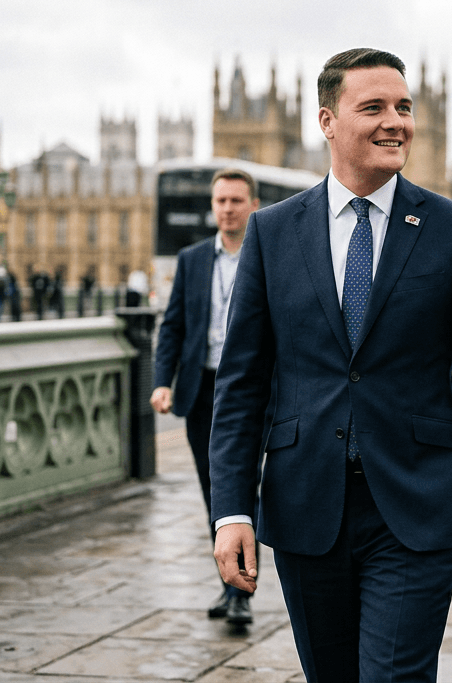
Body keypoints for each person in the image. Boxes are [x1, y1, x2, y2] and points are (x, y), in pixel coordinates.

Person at [208, 48, 452, 683]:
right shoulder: (273, 232)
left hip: (416, 504)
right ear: (327, 121)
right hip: (305, 504)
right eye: (374, 107)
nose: (395, 122)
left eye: (404, 108)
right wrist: (232, 511)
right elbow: (241, 386)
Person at [152, 167, 263, 626]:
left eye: (236, 200)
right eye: (221, 201)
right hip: (203, 390)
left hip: (255, 390)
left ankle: (243, 588)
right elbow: (173, 326)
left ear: (253, 205)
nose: (228, 209)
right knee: (215, 491)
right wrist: (162, 381)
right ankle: (232, 586)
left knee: (248, 489)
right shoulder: (193, 259)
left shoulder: (267, 253)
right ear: (212, 207)